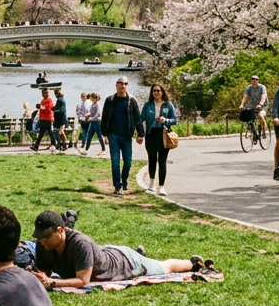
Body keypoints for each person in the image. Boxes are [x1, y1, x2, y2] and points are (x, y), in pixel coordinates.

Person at [29, 210, 199, 289]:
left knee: (163, 267)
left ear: (60, 230)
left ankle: (193, 263)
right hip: (106, 253)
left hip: (125, 263)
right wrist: (37, 276)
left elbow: (82, 281)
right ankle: (139, 253)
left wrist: (52, 282)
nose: (42, 241)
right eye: (39, 237)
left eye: (46, 237)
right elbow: (44, 271)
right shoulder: (43, 244)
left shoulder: (80, 243)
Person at [100, 77, 143, 195]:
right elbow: (104, 118)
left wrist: (140, 134)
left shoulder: (131, 101)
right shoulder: (110, 100)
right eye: (120, 83)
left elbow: (137, 118)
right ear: (116, 85)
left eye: (125, 84)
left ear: (127, 86)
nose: (122, 86)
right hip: (113, 135)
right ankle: (117, 186)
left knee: (128, 162)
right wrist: (104, 134)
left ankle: (124, 180)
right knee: (115, 161)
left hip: (126, 136)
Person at [140, 84, 177, 196]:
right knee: (152, 159)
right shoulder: (148, 105)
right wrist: (139, 133)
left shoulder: (168, 105)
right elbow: (141, 119)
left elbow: (175, 120)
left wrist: (165, 120)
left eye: (158, 90)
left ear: (162, 92)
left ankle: (161, 187)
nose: (156, 93)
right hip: (151, 134)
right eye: (154, 91)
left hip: (163, 134)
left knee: (162, 161)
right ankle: (151, 184)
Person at [30, 88, 56, 152]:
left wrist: (41, 107)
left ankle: (54, 144)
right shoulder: (42, 101)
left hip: (48, 119)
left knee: (50, 132)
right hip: (42, 119)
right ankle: (36, 146)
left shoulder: (50, 100)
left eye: (47, 93)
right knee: (41, 133)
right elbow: (41, 109)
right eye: (45, 93)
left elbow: (48, 109)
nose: (46, 94)